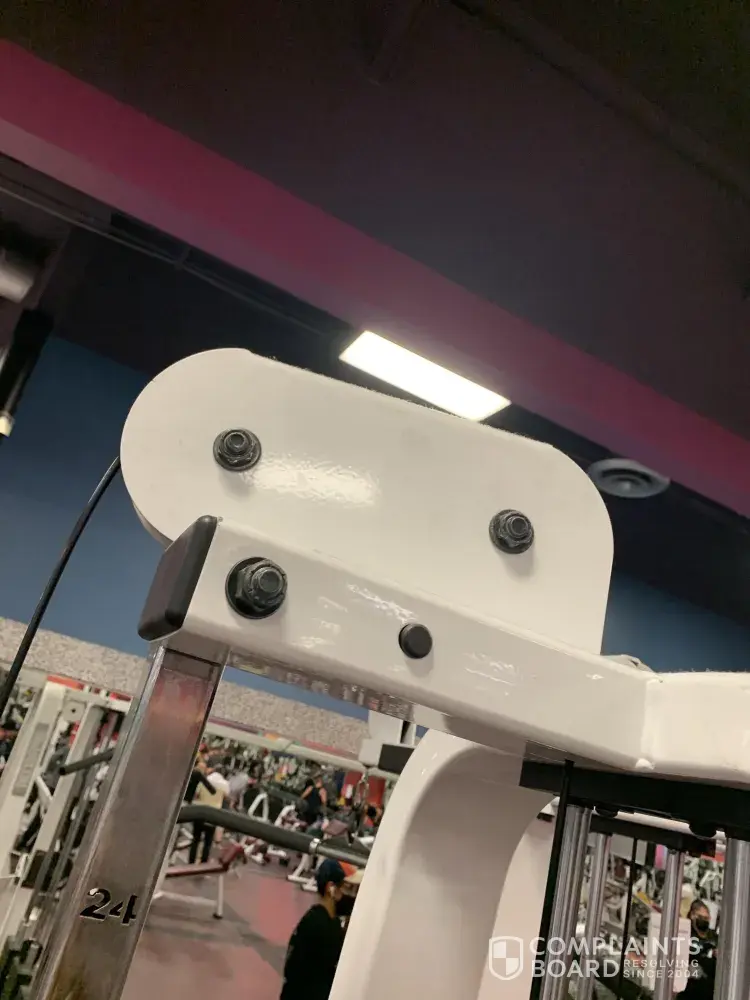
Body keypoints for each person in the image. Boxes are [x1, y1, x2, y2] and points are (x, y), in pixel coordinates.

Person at [280, 859, 359, 1000]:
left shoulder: (330, 921)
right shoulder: (318, 925)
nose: (352, 896)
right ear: (331, 888)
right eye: (347, 888)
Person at [190, 768, 230, 864]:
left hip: (200, 812)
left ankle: (191, 861)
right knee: (208, 842)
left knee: (195, 839)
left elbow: (196, 794)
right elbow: (226, 797)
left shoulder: (205, 780)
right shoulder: (225, 784)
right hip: (213, 815)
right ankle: (203, 863)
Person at [683, 900, 718, 1000]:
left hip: (710, 991)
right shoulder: (686, 934)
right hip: (689, 991)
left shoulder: (714, 937)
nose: (705, 921)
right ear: (693, 916)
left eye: (707, 918)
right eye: (702, 917)